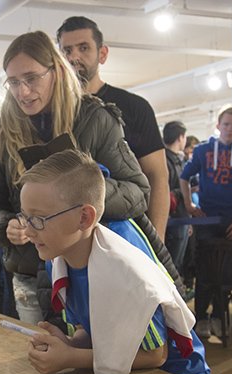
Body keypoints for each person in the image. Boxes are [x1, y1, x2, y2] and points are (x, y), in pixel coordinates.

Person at [0, 30, 151, 325]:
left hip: (94, 273)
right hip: (31, 274)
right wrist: (7, 226)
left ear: (55, 71)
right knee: (43, 363)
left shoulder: (95, 118)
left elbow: (138, 192)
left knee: (106, 364)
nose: (23, 92)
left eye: (31, 78)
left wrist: (82, 190)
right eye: (14, 82)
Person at [19, 149, 209, 374]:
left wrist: (72, 358)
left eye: (38, 219)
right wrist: (70, 344)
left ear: (84, 218)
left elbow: (157, 355)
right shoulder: (57, 262)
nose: (27, 231)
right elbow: (89, 328)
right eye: (24, 217)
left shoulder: (126, 273)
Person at [56, 16, 170, 240]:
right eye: (66, 50)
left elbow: (157, 177)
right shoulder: (52, 111)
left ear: (103, 54)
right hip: (68, 239)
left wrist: (158, 243)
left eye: (83, 48)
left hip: (126, 234)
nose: (74, 57)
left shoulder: (134, 107)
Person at [180, 104, 232, 334]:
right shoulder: (204, 150)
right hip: (207, 218)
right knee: (204, 270)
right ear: (218, 125)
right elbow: (184, 176)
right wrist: (189, 204)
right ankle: (201, 317)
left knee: (226, 272)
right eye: (226, 124)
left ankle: (219, 317)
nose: (230, 129)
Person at [163, 120, 191, 271]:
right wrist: (185, 190)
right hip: (174, 219)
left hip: (181, 218)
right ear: (180, 137)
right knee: (173, 266)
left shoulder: (177, 160)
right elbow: (165, 190)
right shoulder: (167, 161)